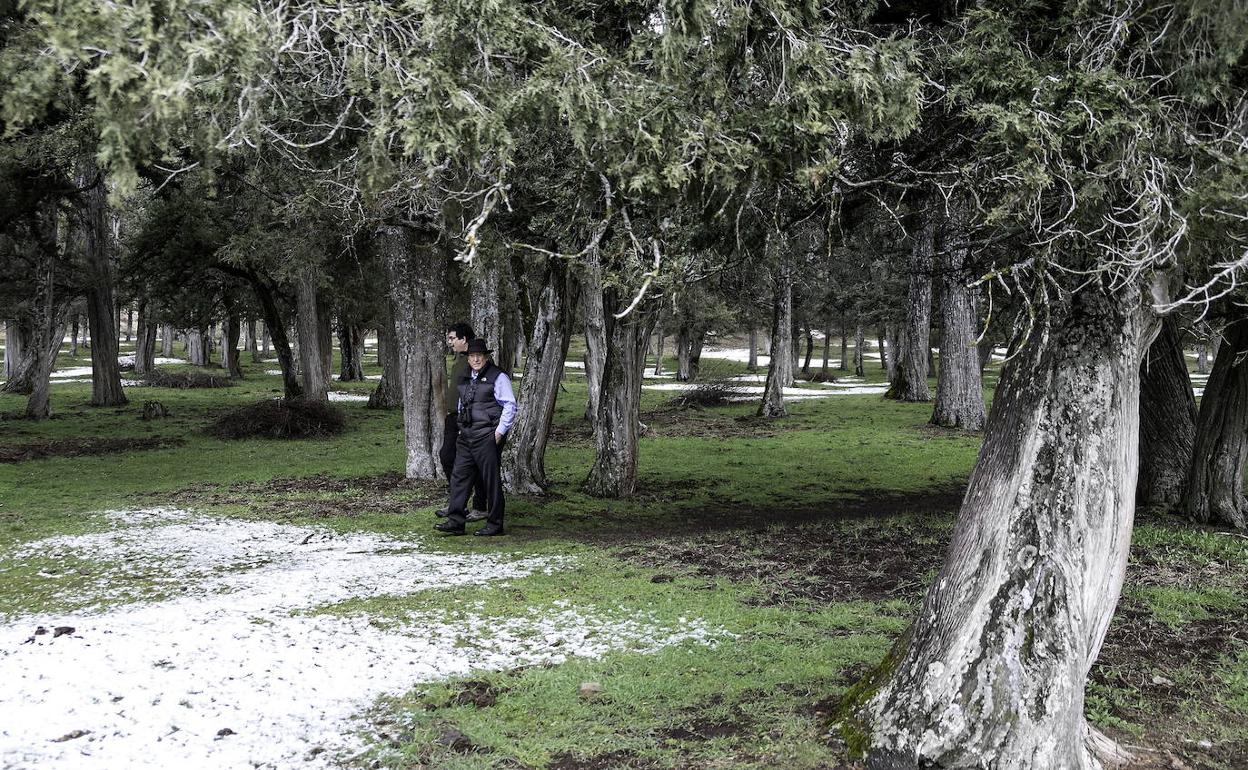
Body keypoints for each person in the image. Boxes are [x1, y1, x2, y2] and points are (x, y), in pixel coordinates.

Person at [435, 338, 516, 536]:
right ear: (468, 358)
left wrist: (499, 432)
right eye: (472, 356)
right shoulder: (465, 376)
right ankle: (456, 521)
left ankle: (495, 524)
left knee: (490, 481)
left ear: (486, 357)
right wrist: (462, 426)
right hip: (467, 436)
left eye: (479, 356)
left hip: (487, 435)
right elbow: (464, 402)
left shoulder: (498, 376)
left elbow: (510, 405)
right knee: (459, 477)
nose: (476, 359)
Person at [435, 323, 488, 522]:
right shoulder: (458, 361)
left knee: (476, 461)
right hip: (453, 417)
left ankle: (480, 505)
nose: (449, 342)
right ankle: (457, 502)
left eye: (452, 338)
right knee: (447, 456)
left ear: (463, 339)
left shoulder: (475, 361)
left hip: (469, 419)